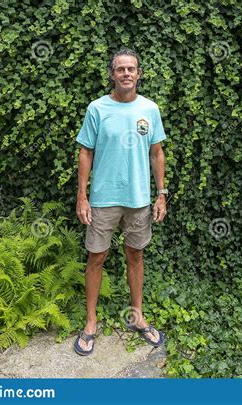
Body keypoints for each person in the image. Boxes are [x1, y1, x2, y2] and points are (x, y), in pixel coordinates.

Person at [74, 48, 168, 356]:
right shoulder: (97, 109)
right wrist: (82, 196)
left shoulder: (150, 109)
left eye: (131, 69)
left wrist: (161, 194)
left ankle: (137, 316)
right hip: (103, 199)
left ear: (139, 74)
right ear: (112, 75)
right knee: (96, 258)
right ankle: (90, 323)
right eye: (120, 69)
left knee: (135, 256)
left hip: (139, 199)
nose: (126, 73)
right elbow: (86, 151)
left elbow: (157, 153)